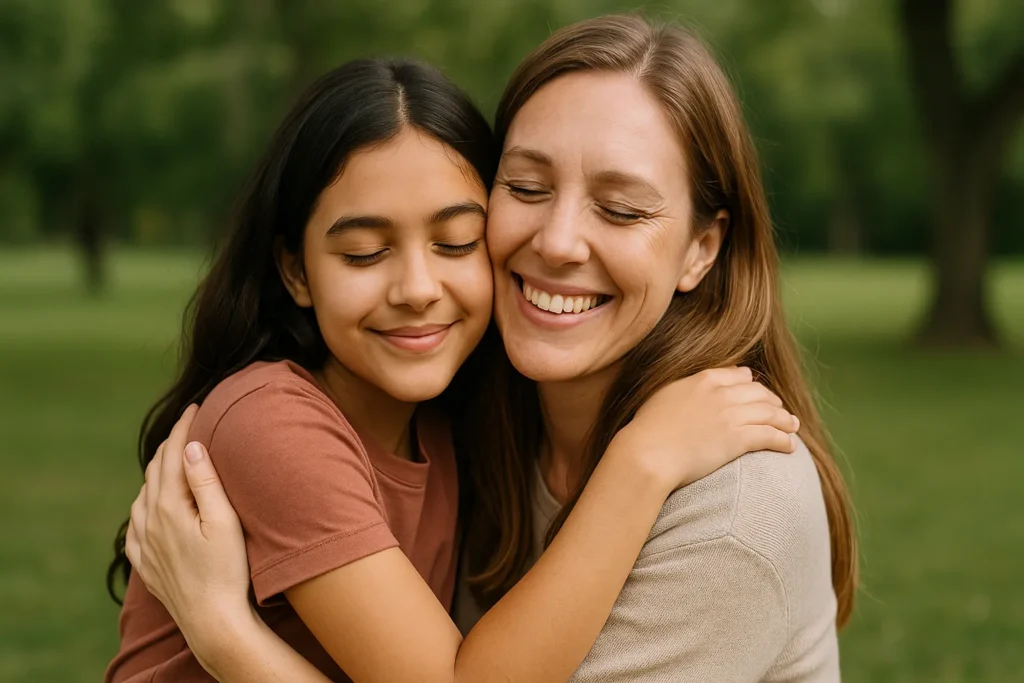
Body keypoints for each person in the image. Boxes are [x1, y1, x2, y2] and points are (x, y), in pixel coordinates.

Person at [105, 52, 801, 683]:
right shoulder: (271, 422)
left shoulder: (456, 419)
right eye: (363, 253)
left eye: (456, 241)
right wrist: (642, 461)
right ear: (295, 270)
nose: (416, 288)